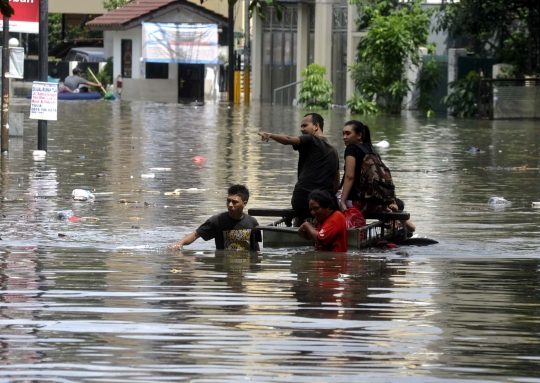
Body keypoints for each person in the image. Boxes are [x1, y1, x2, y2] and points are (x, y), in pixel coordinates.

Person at [258, 113, 340, 225]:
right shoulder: (334, 151)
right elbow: (337, 183)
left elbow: (288, 139)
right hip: (325, 203)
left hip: (302, 200)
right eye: (301, 126)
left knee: (300, 217)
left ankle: (296, 231)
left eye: (305, 126)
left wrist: (270, 135)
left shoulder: (310, 140)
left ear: (316, 126)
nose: (302, 129)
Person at [170, 184, 261, 251]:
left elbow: (256, 247)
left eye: (234, 202)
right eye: (228, 201)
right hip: (223, 268)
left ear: (244, 203)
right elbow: (195, 234)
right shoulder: (217, 221)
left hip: (244, 268)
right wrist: (178, 244)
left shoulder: (252, 222)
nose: (230, 205)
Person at [339, 120, 378, 212]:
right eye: (343, 134)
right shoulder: (372, 149)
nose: (344, 137)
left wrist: (343, 201)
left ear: (359, 135)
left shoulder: (351, 149)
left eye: (348, 134)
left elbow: (349, 176)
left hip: (356, 201)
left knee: (327, 199)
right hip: (373, 203)